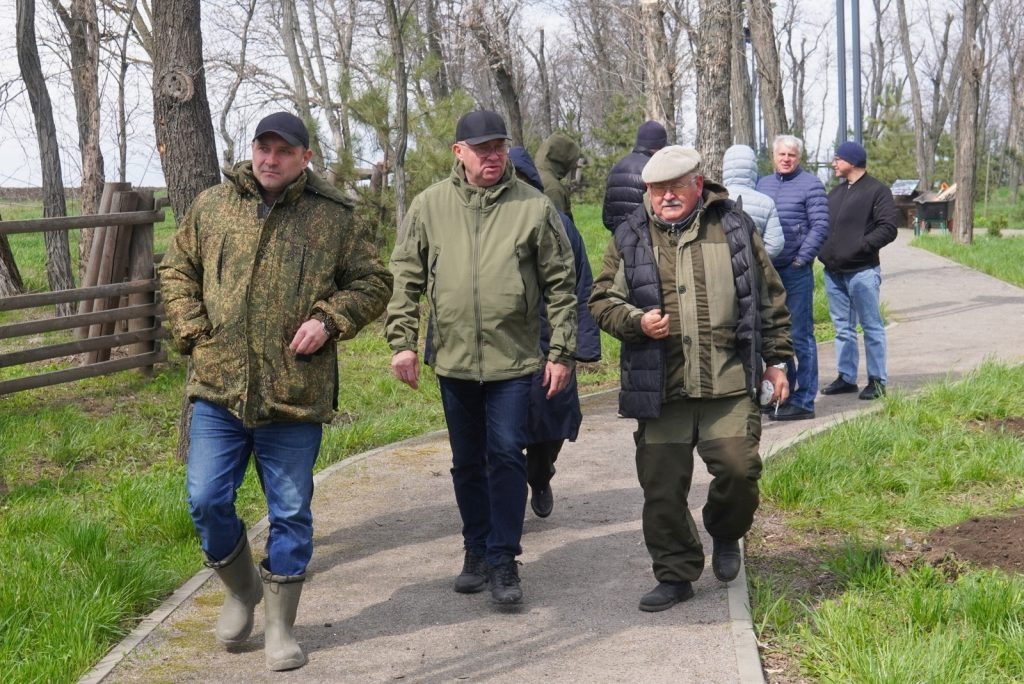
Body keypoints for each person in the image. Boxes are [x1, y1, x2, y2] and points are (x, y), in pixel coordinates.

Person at [159, 111, 392, 671]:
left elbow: (373, 282)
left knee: (290, 511)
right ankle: (242, 591)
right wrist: (193, 332)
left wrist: (330, 319)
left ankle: (281, 628)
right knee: (206, 500)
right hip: (218, 389)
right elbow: (176, 269)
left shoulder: (335, 218)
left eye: (284, 151)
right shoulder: (214, 206)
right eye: (264, 148)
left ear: (305, 158)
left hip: (293, 393)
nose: (270, 159)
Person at [385, 110, 578, 606]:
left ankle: (503, 558)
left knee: (507, 455)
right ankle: (475, 548)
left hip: (514, 362)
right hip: (453, 361)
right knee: (467, 462)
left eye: (499, 146)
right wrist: (402, 341)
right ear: (459, 152)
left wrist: (560, 352)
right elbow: (406, 277)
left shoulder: (533, 207)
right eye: (482, 147)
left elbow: (561, 284)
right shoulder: (430, 206)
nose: (493, 155)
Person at [589, 146, 793, 613]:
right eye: (657, 190)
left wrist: (778, 361)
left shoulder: (736, 228)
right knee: (661, 489)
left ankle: (724, 530)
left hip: (728, 381)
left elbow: (769, 299)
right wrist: (636, 322)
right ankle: (676, 573)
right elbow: (601, 300)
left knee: (740, 472)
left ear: (697, 185)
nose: (665, 197)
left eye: (676, 187)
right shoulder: (630, 236)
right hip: (661, 388)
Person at [508, 146, 602, 519]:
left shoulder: (561, 223)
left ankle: (541, 474)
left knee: (551, 425)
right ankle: (508, 503)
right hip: (504, 345)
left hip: (552, 341)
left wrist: (583, 346)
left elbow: (582, 286)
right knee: (503, 435)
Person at [756, 134, 830, 421]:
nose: (786, 159)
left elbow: (821, 225)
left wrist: (802, 258)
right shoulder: (762, 184)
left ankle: (805, 399)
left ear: (799, 158)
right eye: (781, 155)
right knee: (776, 336)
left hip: (795, 271)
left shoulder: (810, 184)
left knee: (800, 335)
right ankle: (782, 394)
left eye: (792, 155)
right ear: (773, 156)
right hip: (768, 272)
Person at [818, 141, 898, 400]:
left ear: (852, 161)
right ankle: (846, 377)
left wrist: (861, 246)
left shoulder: (878, 191)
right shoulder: (836, 193)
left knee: (872, 327)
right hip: (834, 273)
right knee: (842, 328)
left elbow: (888, 228)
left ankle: (877, 380)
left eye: (838, 159)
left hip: (862, 272)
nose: (834, 163)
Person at [722, 144, 785, 260]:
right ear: (753, 168)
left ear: (726, 167)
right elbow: (775, 245)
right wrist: (755, 260)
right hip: (752, 270)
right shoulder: (766, 202)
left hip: (720, 267)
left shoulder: (714, 198)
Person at [602, 120, 667, 231]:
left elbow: (607, 219)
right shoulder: (655, 170)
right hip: (647, 241)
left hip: (619, 240)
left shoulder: (616, 167)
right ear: (660, 146)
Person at [535, 132, 581, 220]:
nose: (574, 164)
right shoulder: (553, 188)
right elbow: (558, 228)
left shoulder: (534, 173)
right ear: (561, 158)